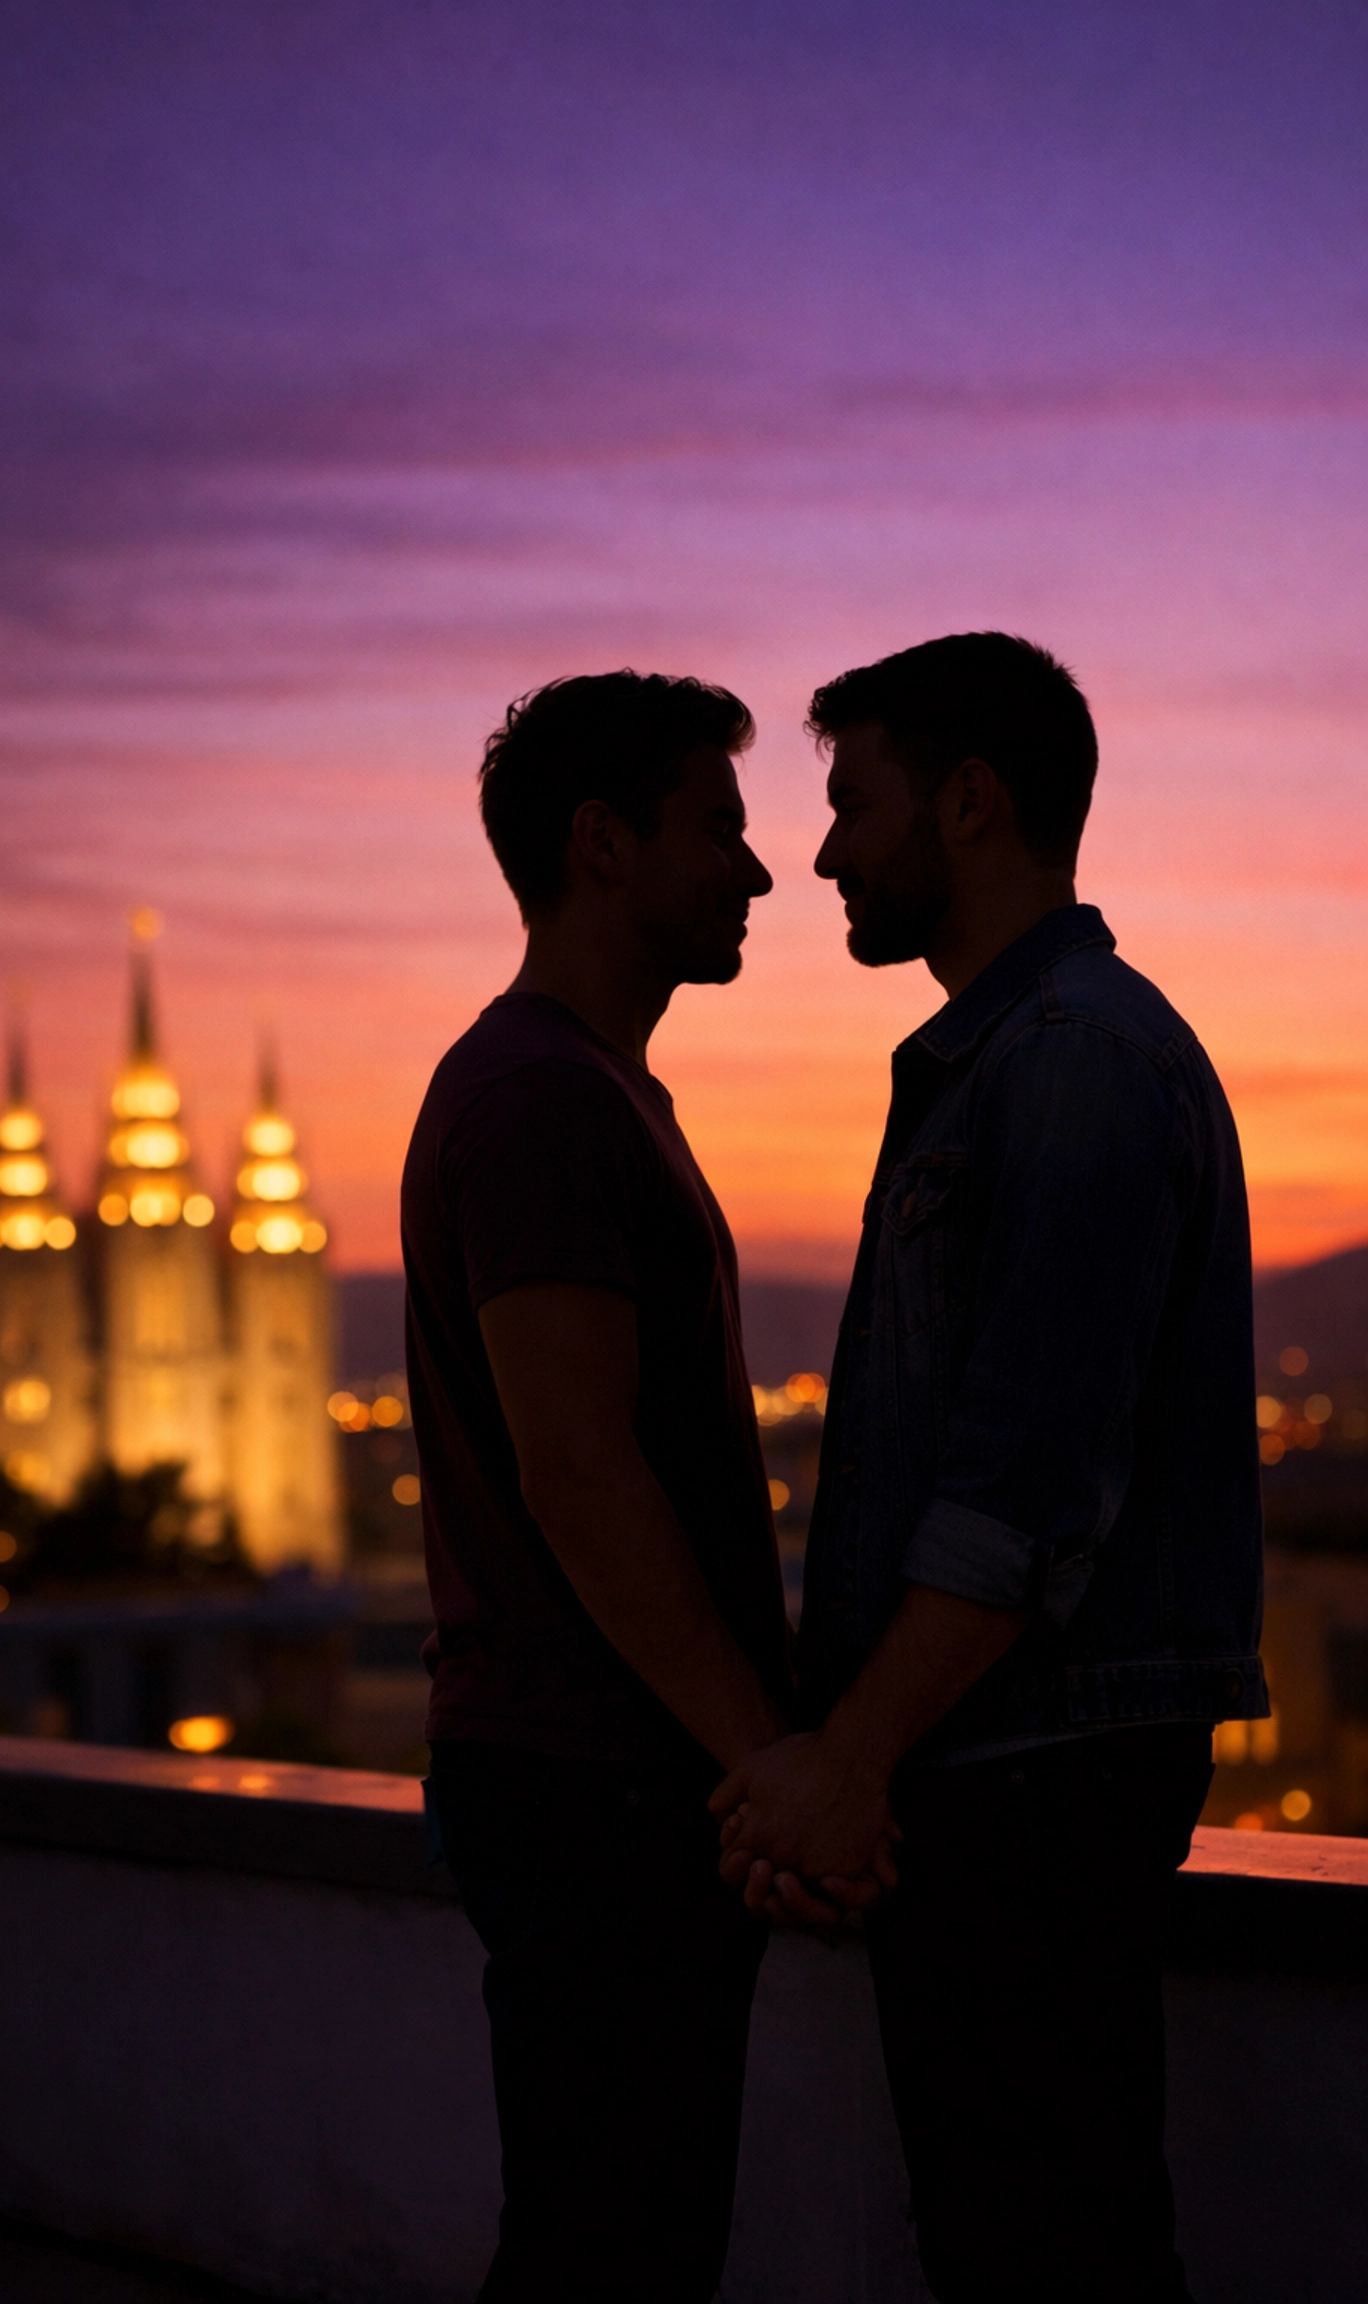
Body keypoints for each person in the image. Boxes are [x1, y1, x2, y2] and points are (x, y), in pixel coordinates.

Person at [713, 632, 1267, 2304]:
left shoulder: (1072, 1062)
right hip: (998, 1762)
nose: (820, 855)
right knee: (1016, 2235)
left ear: (968, 802)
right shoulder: (1003, 1059)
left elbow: (1021, 1487)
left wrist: (848, 1756)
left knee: (1049, 2249)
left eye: (851, 804)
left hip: (1034, 1766)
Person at [402, 670, 823, 2304]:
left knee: (620, 2239)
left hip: (608, 1782)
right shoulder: (543, 1102)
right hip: (597, 1789)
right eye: (720, 827)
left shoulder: (587, 1094)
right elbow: (577, 1465)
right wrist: (766, 1758)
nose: (762, 870)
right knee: (607, 2252)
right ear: (604, 845)